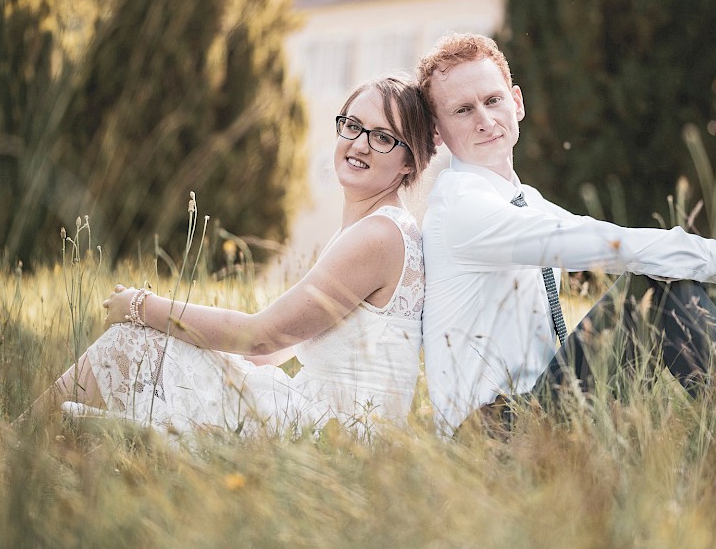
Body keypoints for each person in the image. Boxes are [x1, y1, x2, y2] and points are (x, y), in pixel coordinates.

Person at [415, 33, 716, 435]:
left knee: (663, 273)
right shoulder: (461, 207)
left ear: (516, 102)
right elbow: (609, 247)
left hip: (536, 407)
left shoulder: (521, 199)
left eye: (493, 100)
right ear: (437, 132)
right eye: (463, 110)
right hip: (491, 435)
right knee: (652, 287)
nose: (485, 120)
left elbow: (614, 239)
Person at [29, 76, 436, 439]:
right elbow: (267, 352)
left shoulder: (380, 234)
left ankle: (15, 442)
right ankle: (41, 439)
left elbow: (262, 335)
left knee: (129, 340)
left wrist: (141, 307)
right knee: (145, 360)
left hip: (336, 433)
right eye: (352, 125)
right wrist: (186, 350)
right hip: (327, 420)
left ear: (409, 162)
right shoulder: (367, 231)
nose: (359, 143)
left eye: (383, 137)